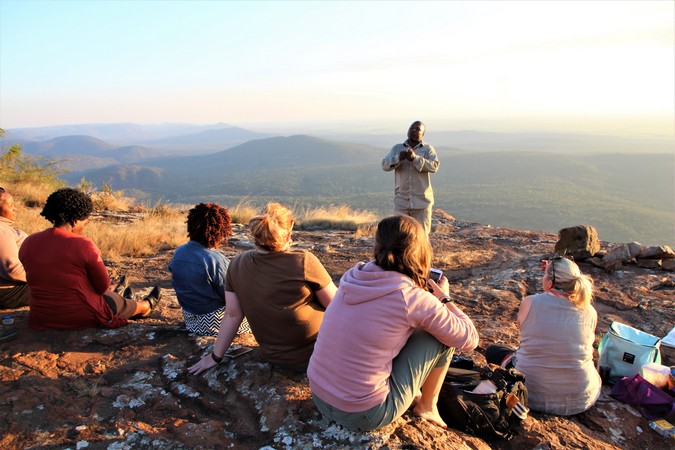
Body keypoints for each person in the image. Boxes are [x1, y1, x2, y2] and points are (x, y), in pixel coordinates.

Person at [307, 215, 479, 431]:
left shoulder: (353, 276)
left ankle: (413, 393)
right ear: (418, 250)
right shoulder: (411, 298)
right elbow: (468, 338)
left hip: (320, 395)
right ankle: (427, 406)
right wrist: (445, 300)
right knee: (441, 338)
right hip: (364, 414)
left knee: (398, 329)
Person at [188, 202, 337, 374]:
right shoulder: (303, 261)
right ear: (288, 234)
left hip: (273, 356)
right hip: (318, 355)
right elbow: (336, 305)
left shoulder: (236, 264)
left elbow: (232, 314)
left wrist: (215, 357)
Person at [18, 188, 162, 330]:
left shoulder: (29, 242)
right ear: (75, 222)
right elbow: (101, 287)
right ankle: (144, 307)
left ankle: (127, 300)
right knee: (110, 300)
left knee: (108, 294)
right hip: (80, 316)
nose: (84, 228)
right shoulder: (82, 244)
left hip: (41, 316)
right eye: (85, 223)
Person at [485, 256, 600, 416]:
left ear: (551, 282)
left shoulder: (530, 302)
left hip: (531, 394)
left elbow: (524, 330)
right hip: (580, 398)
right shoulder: (589, 311)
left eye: (545, 274)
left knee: (494, 351)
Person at [169, 202, 249, 335]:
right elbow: (230, 298)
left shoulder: (179, 252)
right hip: (215, 323)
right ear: (220, 231)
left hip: (191, 319)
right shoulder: (216, 260)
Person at [381, 121, 439, 236]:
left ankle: (422, 255)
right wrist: (398, 158)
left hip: (422, 202)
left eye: (417, 129)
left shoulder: (427, 149)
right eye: (411, 128)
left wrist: (415, 159)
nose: (413, 130)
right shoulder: (397, 148)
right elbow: (385, 165)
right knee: (398, 235)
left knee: (421, 236)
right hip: (401, 201)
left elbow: (434, 166)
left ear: (423, 134)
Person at [0, 187, 30, 309]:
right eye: (10, 204)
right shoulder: (2, 231)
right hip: (7, 292)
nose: (14, 208)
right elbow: (13, 270)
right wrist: (42, 276)